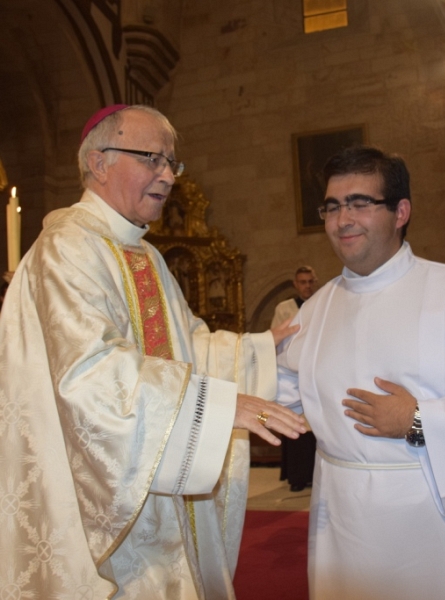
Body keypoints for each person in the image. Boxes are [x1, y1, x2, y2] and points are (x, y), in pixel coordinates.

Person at [0, 104, 306, 599]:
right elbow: (88, 375)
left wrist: (258, 352)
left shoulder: (145, 254)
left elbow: (187, 349)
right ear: (99, 163)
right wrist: (219, 405)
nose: (168, 176)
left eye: (172, 164)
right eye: (151, 159)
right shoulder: (67, 248)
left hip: (158, 495)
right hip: (103, 508)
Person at [276, 144, 445, 600]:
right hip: (340, 521)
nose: (342, 220)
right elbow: (277, 400)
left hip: (434, 527)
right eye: (333, 207)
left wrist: (418, 421)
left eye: (360, 203)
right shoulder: (313, 312)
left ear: (401, 212)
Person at [271, 266, 318, 491]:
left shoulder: (321, 304)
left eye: (310, 281)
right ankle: (297, 477)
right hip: (290, 370)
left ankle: (313, 475)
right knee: (295, 424)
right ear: (295, 284)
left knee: (314, 426)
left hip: (313, 370)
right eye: (302, 282)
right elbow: (275, 338)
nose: (307, 286)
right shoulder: (284, 308)